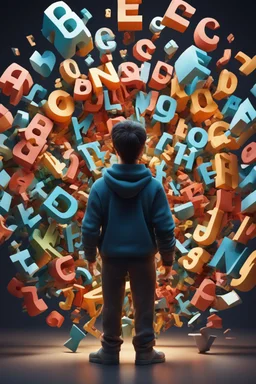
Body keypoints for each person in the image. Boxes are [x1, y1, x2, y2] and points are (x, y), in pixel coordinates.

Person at [81, 120, 176, 365]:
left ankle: (110, 350)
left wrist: (90, 256)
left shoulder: (101, 187)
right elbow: (165, 227)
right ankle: (144, 351)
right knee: (144, 304)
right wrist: (167, 259)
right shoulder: (153, 187)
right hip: (144, 257)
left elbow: (90, 226)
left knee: (111, 304)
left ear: (114, 148)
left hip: (111, 257)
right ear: (143, 148)